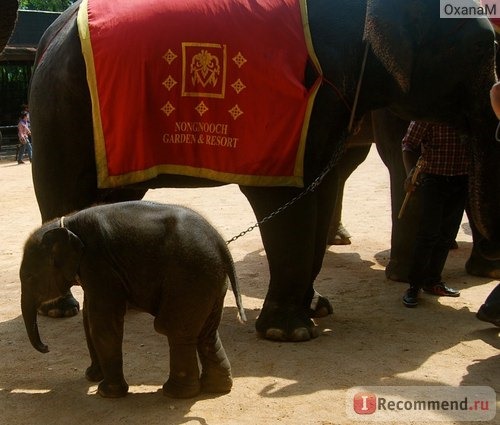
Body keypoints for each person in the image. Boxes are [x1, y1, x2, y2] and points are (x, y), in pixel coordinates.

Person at [401, 121, 470, 307]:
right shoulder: (428, 113)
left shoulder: (465, 113)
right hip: (433, 180)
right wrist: (410, 174)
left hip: (461, 179)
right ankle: (413, 287)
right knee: (428, 234)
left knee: (447, 235)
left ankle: (433, 281)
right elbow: (408, 144)